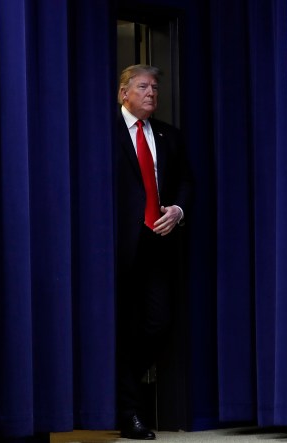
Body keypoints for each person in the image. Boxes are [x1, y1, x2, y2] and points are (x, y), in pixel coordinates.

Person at [115, 64, 192, 440]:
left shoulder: (169, 136)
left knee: (157, 324)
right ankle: (129, 411)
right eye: (143, 87)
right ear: (124, 93)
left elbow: (186, 183)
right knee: (118, 328)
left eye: (155, 88)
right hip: (115, 248)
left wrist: (177, 210)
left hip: (158, 244)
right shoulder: (106, 132)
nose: (152, 94)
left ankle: (125, 393)